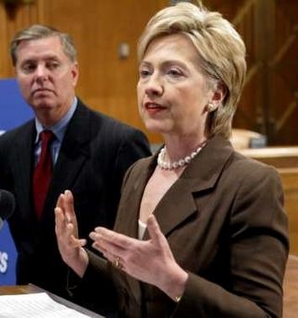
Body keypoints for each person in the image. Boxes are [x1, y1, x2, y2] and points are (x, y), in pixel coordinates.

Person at [54, 2, 289, 317]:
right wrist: (79, 260)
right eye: (145, 72)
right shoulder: (138, 173)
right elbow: (131, 295)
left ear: (216, 94)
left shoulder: (250, 184)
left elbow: (263, 313)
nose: (151, 86)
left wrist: (174, 280)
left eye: (173, 72)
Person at [0, 25, 151, 300]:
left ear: (74, 73)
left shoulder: (120, 142)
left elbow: (133, 244)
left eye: (52, 64)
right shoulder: (6, 147)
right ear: (17, 77)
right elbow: (27, 240)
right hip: (27, 301)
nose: (41, 75)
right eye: (29, 67)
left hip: (95, 303)